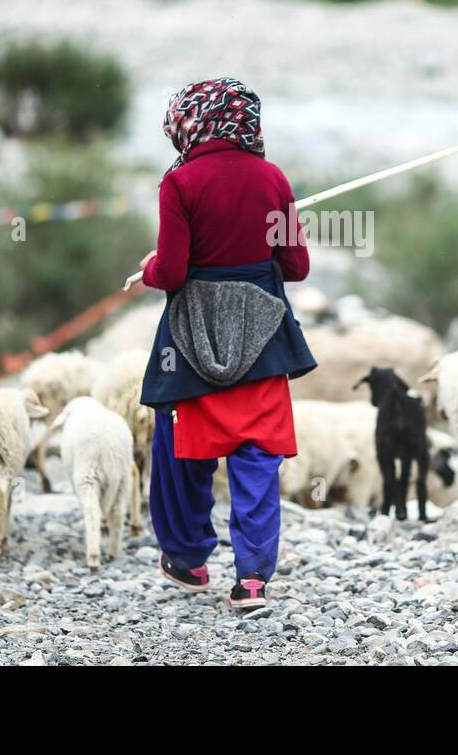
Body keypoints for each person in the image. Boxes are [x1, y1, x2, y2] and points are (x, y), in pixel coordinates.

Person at [138, 77, 315, 610]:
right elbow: (297, 266)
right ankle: (254, 580)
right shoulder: (273, 179)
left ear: (194, 121)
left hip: (192, 338)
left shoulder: (181, 183)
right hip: (263, 340)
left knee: (183, 448)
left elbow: (171, 272)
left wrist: (147, 268)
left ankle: (188, 560)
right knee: (257, 456)